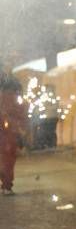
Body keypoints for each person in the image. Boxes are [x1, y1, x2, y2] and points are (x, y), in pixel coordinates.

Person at [0, 62, 26, 195]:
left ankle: (6, 183)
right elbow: (19, 112)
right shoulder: (12, 93)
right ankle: (6, 185)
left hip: (8, 129)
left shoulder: (8, 85)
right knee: (8, 157)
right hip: (8, 130)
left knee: (7, 157)